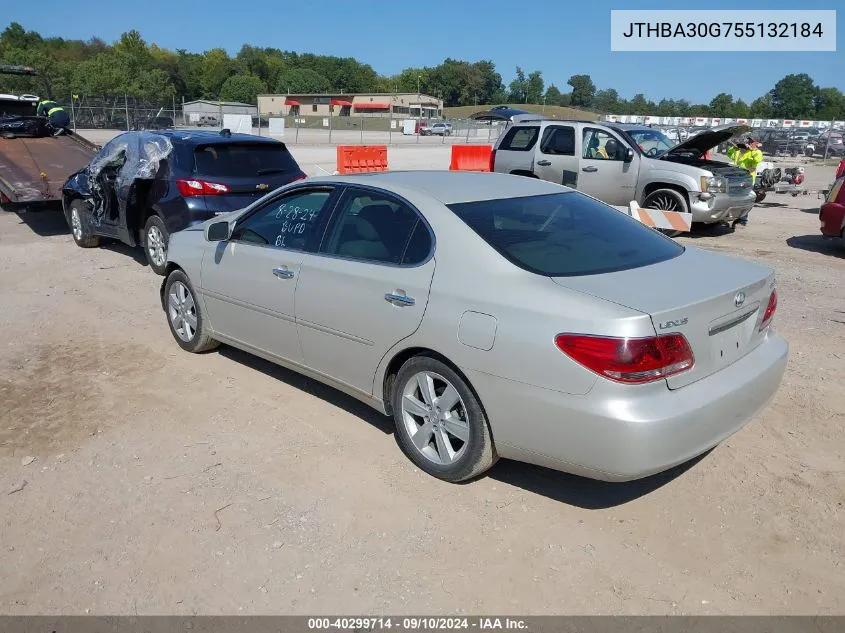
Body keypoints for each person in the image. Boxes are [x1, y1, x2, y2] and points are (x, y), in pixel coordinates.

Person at [726, 137, 763, 227]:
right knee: (734, 199)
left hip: (748, 179)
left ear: (756, 143)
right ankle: (732, 216)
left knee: (744, 200)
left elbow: (757, 160)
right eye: (749, 141)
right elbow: (730, 155)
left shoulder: (757, 152)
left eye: (751, 142)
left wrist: (752, 150)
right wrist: (734, 148)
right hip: (736, 178)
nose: (749, 143)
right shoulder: (741, 151)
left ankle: (743, 219)